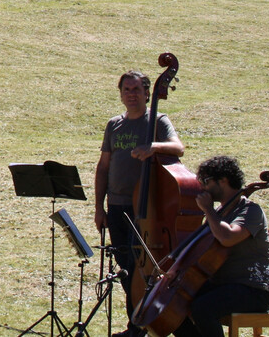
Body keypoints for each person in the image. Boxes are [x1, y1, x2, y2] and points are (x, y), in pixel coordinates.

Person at [94, 70, 185, 337]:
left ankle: (140, 325)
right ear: (120, 94)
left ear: (147, 92)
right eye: (126, 90)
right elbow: (103, 167)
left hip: (145, 208)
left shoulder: (157, 120)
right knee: (126, 266)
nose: (131, 95)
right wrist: (100, 207)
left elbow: (178, 147)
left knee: (141, 268)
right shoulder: (114, 124)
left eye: (136, 89)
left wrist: (153, 147)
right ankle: (137, 322)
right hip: (117, 206)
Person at [170, 156, 269, 337]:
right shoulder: (219, 213)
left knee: (203, 308)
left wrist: (208, 210)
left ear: (223, 181)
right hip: (225, 285)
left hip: (253, 289)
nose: (202, 187)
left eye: (206, 181)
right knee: (174, 303)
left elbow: (227, 237)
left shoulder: (250, 211)